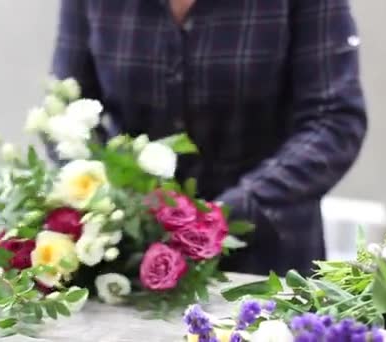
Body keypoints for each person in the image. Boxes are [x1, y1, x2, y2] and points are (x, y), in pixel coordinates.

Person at [51, 0, 366, 276]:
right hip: (133, 262)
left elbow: (334, 122)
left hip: (267, 262)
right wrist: (120, 204)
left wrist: (228, 213)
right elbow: (64, 110)